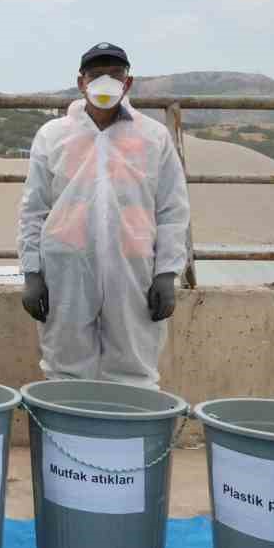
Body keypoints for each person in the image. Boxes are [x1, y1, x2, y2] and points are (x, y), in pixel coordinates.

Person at [16, 43, 191, 386]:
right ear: (81, 82)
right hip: (67, 267)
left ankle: (127, 436)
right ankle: (68, 434)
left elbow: (172, 208)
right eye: (97, 75)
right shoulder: (54, 135)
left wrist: (167, 273)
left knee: (135, 367)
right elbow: (33, 208)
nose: (105, 83)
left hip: (133, 269)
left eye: (115, 75)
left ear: (128, 83)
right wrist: (32, 272)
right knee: (65, 366)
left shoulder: (153, 136)